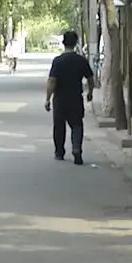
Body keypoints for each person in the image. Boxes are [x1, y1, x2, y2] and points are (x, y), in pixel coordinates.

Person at [45, 30, 95, 165]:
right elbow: (90, 78)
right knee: (77, 124)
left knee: (59, 126)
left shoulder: (58, 61)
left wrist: (47, 99)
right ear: (76, 43)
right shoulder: (81, 60)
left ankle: (59, 153)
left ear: (63, 43)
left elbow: (52, 81)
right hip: (75, 98)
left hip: (60, 99)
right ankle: (77, 148)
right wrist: (90, 92)